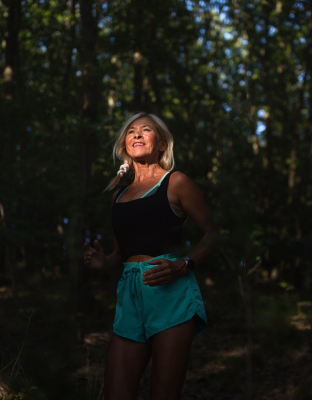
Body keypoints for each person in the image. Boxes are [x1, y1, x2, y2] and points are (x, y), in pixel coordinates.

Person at [83, 112, 220, 399]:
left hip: (170, 291)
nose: (137, 134)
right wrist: (103, 261)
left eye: (146, 130)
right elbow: (121, 254)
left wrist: (183, 265)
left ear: (161, 144)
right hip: (130, 296)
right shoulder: (117, 196)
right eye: (132, 131)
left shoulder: (176, 182)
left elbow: (213, 234)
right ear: (125, 145)